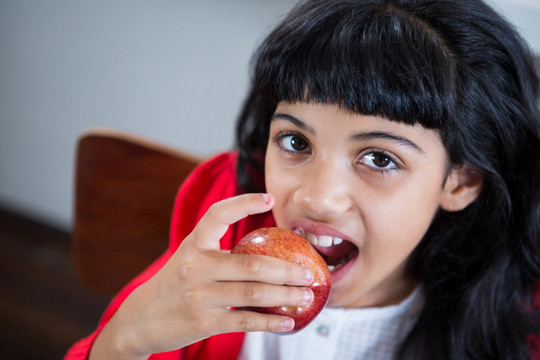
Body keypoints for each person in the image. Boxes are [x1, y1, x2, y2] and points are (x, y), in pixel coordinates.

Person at [66, 0, 540, 359]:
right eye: (295, 142)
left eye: (378, 158)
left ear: (460, 182)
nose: (317, 198)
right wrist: (125, 338)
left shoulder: (523, 321)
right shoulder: (223, 215)